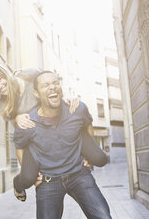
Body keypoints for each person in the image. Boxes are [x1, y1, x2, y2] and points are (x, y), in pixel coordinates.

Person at [0, 62, 108, 201]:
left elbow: (52, 84)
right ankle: (18, 184)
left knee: (100, 159)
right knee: (28, 178)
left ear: (4, 73)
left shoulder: (31, 74)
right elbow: (18, 133)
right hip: (37, 138)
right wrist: (17, 118)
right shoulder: (2, 103)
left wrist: (68, 98)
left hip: (62, 127)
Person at [14, 71, 111, 219]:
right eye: (46, 85)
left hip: (79, 174)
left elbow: (87, 124)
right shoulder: (28, 122)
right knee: (26, 177)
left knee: (103, 217)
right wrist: (28, 173)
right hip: (48, 181)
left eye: (55, 83)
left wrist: (89, 155)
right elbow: (19, 145)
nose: (52, 87)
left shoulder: (77, 109)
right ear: (36, 94)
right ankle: (18, 183)